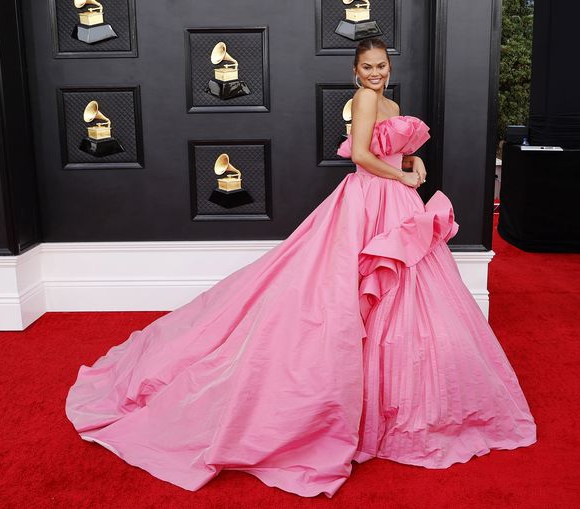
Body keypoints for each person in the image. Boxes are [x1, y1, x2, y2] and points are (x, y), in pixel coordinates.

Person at [65, 37, 537, 498]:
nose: (375, 73)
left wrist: (411, 161)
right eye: (367, 68)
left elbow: (387, 149)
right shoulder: (363, 99)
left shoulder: (388, 103)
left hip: (394, 200)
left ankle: (396, 401)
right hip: (372, 201)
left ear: (389, 67)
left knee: (403, 291)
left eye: (380, 66)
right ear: (356, 72)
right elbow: (363, 155)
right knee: (354, 288)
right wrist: (405, 174)